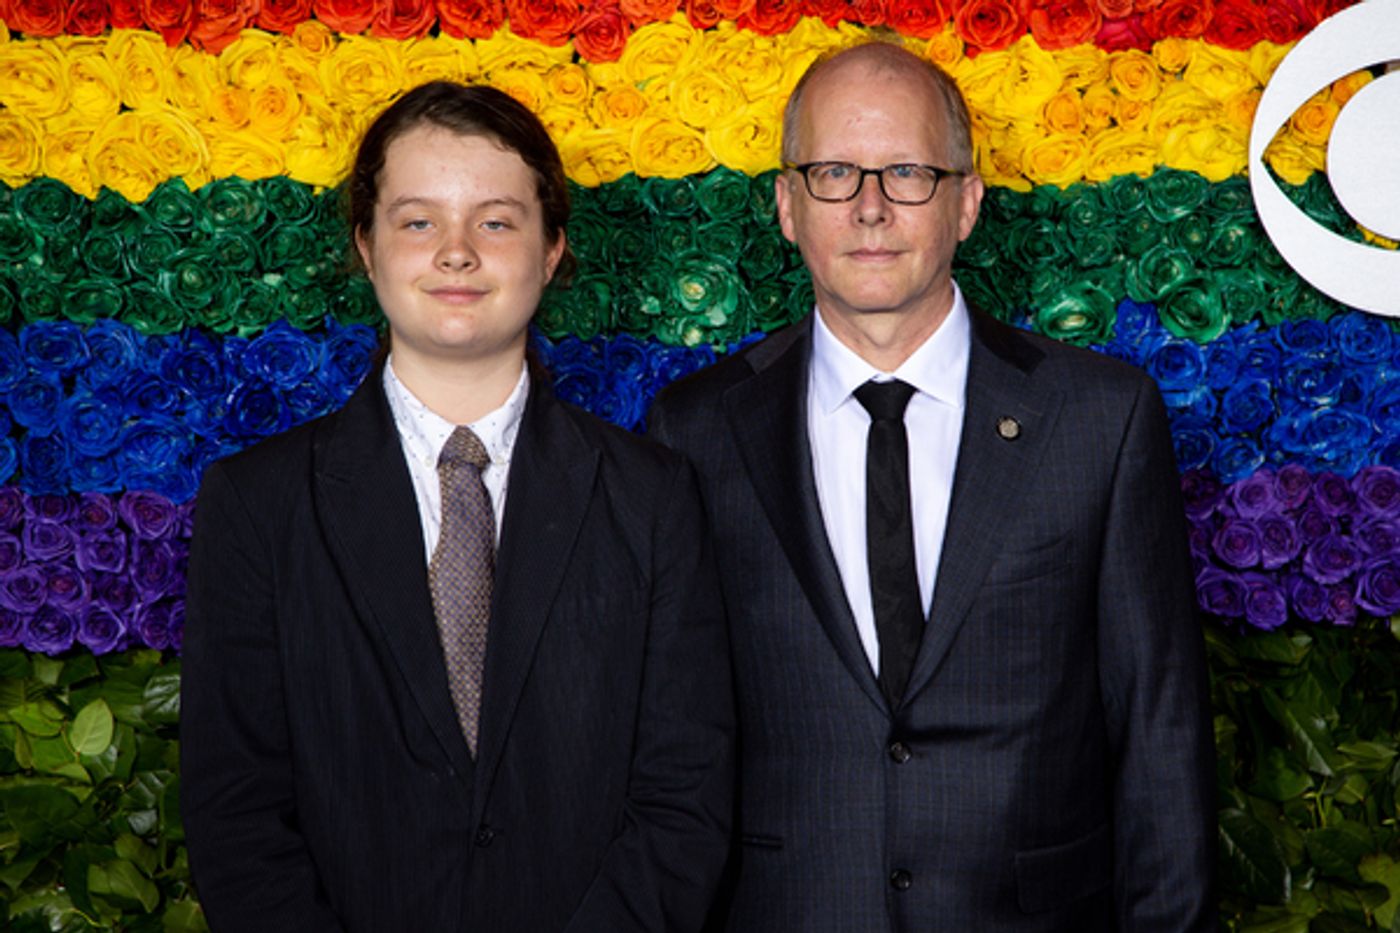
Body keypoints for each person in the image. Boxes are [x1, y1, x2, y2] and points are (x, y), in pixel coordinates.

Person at [649, 43, 1214, 931]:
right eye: (834, 172)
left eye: (908, 173)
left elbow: (1160, 731)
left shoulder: (1099, 418)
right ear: (787, 206)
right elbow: (667, 739)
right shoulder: (696, 429)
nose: (870, 207)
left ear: (967, 203)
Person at [180, 81, 733, 932]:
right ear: (366, 246)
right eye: (417, 221)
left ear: (551, 249)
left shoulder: (652, 497)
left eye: (497, 221)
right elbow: (237, 812)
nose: (457, 253)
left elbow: (685, 798)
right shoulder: (258, 505)